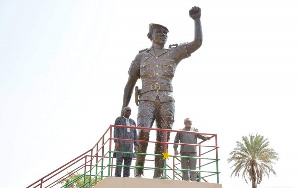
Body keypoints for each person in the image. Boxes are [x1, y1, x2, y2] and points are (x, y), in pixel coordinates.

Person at [121, 6, 203, 179]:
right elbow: (130, 83)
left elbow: (197, 42)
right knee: (143, 132)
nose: (163, 35)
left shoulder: (173, 53)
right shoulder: (141, 56)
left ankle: (160, 172)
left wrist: (197, 20)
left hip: (167, 100)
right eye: (159, 32)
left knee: (163, 139)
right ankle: (138, 171)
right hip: (146, 99)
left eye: (165, 33)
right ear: (150, 35)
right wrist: (124, 105)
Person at [114, 107, 139, 177]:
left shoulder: (133, 122)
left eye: (130, 111)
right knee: (119, 162)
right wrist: (116, 141)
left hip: (129, 146)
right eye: (127, 110)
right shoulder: (119, 120)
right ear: (123, 111)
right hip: (121, 145)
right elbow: (116, 130)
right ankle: (117, 178)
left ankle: (126, 178)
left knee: (128, 163)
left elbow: (135, 134)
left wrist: (136, 145)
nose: (129, 112)